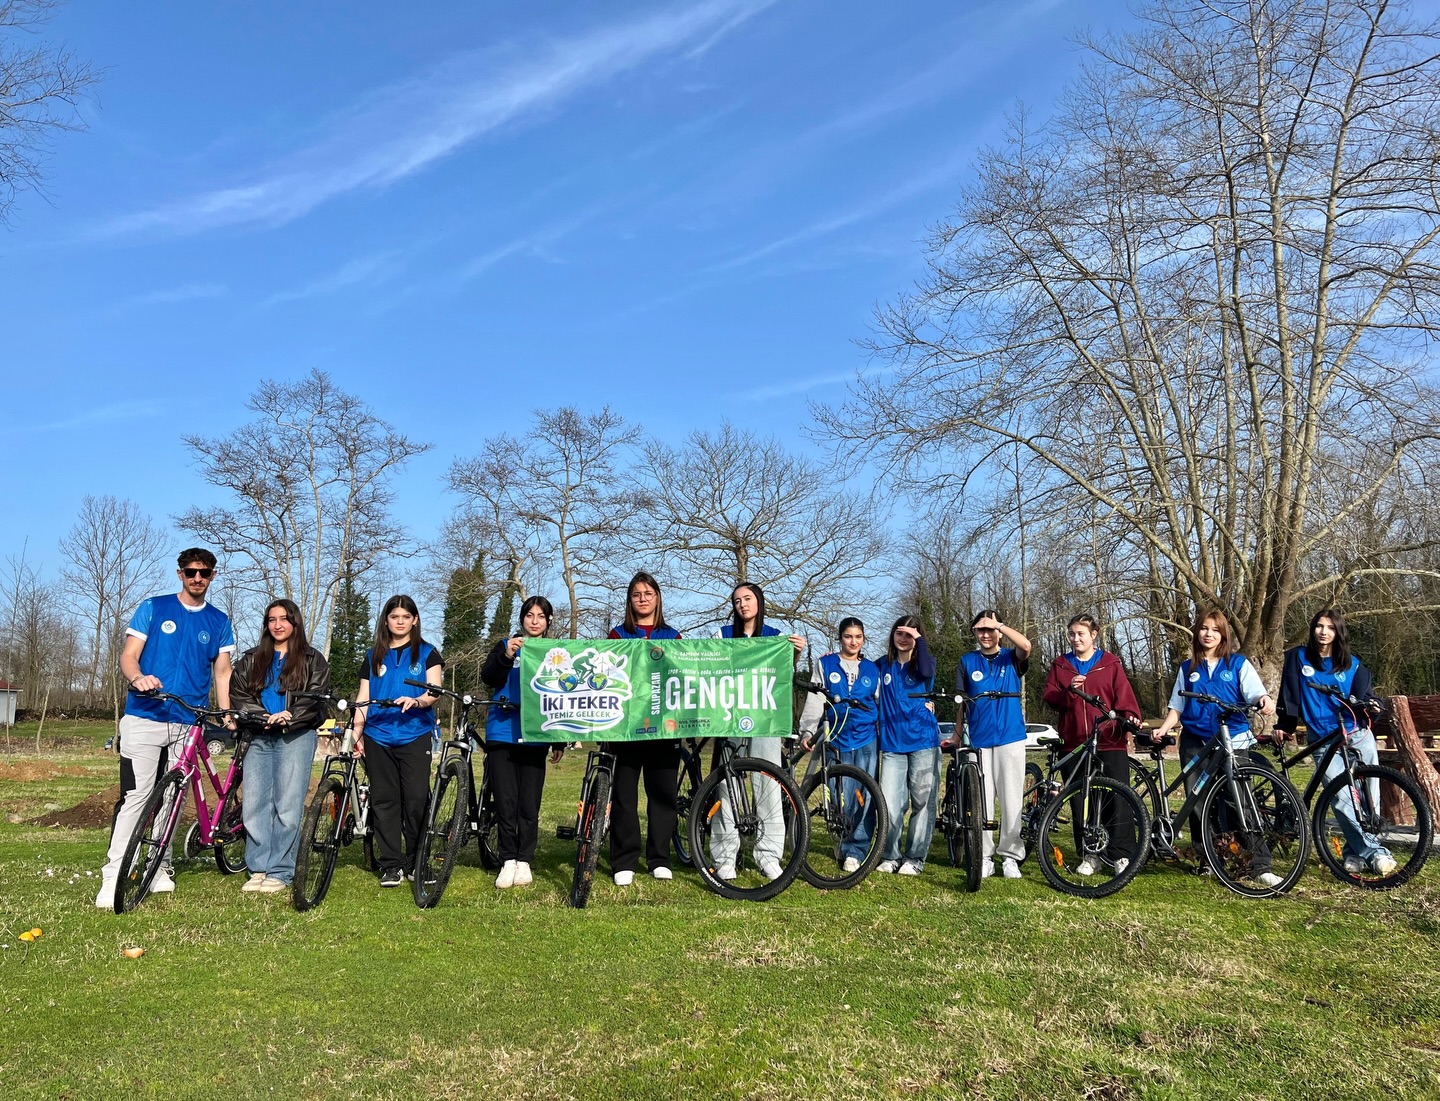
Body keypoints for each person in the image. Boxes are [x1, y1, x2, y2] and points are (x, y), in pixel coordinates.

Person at [96, 548, 235, 909]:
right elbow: (128, 655)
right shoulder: (154, 607)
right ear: (180, 574)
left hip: (187, 721)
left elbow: (222, 673)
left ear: (213, 576)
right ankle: (113, 876)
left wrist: (226, 712)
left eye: (204, 573)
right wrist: (138, 677)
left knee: (172, 798)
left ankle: (158, 866)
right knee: (137, 797)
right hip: (144, 715)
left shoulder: (219, 621)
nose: (197, 578)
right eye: (191, 572)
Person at [1151, 608, 1281, 887]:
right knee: (1197, 804)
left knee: (1239, 802)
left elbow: (1256, 692)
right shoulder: (1187, 669)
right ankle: (1209, 859)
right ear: (1197, 633)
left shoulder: (1237, 664)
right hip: (1195, 743)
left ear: (1223, 634)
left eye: (1215, 629)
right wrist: (1164, 727)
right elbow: (1178, 706)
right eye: (1204, 629)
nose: (1208, 634)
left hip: (1233, 741)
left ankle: (1259, 864)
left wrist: (1265, 699)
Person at [1277, 608, 1395, 877]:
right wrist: (1284, 726)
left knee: (1368, 802)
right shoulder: (1297, 658)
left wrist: (1374, 705)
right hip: (1323, 739)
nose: (1323, 632)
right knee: (1342, 799)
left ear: (1338, 632)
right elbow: (1289, 696)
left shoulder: (1352, 664)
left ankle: (1354, 853)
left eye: (1330, 627)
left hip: (1357, 736)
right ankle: (1376, 853)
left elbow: (1365, 696)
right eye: (1319, 626)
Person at [229, 599, 332, 894]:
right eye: (272, 619)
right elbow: (238, 693)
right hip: (259, 736)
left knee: (287, 806)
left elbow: (315, 696)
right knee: (255, 804)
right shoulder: (251, 659)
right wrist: (263, 717)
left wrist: (290, 716)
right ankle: (258, 867)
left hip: (295, 737)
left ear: (295, 623)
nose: (278, 625)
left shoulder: (313, 660)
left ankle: (280, 870)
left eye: (284, 619)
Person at [711, 582, 806, 881]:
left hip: (765, 719)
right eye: (737, 600)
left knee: (768, 785)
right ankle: (725, 856)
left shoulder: (776, 636)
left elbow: (783, 674)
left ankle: (768, 855)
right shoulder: (723, 635)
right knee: (728, 787)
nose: (742, 605)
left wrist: (796, 654)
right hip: (730, 717)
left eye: (748, 599)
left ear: (759, 602)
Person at [1040, 613, 1139, 877]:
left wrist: (1130, 718)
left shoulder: (1110, 663)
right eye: (1071, 634)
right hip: (1074, 743)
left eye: (1081, 633)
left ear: (1094, 635)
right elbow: (1050, 696)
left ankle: (1121, 854)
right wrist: (1068, 691)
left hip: (1109, 740)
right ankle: (1089, 854)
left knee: (1116, 797)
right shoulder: (1061, 665)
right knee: (1081, 800)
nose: (1075, 639)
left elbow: (1124, 697)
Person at [354, 595, 442, 888]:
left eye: (406, 616)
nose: (400, 621)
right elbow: (364, 697)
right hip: (378, 735)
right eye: (395, 617)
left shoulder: (428, 653)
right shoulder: (372, 656)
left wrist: (417, 701)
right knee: (384, 801)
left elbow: (434, 691)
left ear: (415, 620)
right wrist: (356, 732)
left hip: (414, 734)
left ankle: (418, 861)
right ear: (387, 620)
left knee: (416, 799)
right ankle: (392, 865)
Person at [481, 595, 564, 889]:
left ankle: (525, 859)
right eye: (530, 615)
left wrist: (559, 741)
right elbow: (488, 677)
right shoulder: (506, 646)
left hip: (536, 734)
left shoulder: (556, 651)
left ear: (549, 621)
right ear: (522, 618)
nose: (535, 621)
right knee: (505, 800)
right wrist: (506, 656)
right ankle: (507, 860)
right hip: (502, 732)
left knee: (529, 802)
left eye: (541, 616)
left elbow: (562, 697)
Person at [606, 572, 681, 885]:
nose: (643, 599)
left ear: (657, 598)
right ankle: (624, 860)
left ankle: (659, 858)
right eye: (637, 594)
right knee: (624, 795)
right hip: (626, 727)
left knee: (662, 794)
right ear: (630, 600)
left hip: (664, 727)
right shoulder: (617, 634)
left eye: (648, 593)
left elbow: (682, 677)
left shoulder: (673, 636)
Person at [798, 616, 881, 873]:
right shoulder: (825, 664)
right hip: (836, 737)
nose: (853, 641)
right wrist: (808, 731)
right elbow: (815, 700)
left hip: (866, 739)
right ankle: (842, 838)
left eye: (858, 637)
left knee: (864, 797)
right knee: (840, 797)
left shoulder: (873, 668)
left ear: (863, 639)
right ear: (840, 638)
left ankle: (856, 849)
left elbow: (883, 703)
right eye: (848, 636)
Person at [960, 610, 1034, 879]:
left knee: (1011, 798)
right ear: (974, 633)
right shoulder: (967, 661)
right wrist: (958, 735)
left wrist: (999, 623)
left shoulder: (1010, 658)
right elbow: (961, 702)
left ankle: (1011, 856)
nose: (986, 634)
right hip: (980, 739)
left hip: (1010, 737)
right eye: (980, 630)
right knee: (982, 800)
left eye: (990, 629)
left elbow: (1026, 646)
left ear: (999, 631)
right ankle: (984, 854)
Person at [876, 615, 941, 875]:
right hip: (892, 744)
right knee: (891, 803)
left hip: (923, 741)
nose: (903, 639)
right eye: (899, 633)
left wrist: (920, 642)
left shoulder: (926, 663)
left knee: (922, 801)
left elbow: (925, 672)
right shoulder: (881, 665)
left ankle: (914, 858)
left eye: (910, 635)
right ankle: (890, 855)